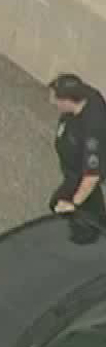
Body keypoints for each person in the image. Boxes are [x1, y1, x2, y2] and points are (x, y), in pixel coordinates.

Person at [49, 73, 106, 238]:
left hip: (80, 177)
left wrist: (73, 204)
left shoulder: (92, 131)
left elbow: (92, 176)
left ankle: (89, 238)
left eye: (56, 99)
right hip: (73, 171)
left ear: (67, 100)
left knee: (59, 205)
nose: (52, 102)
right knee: (91, 210)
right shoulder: (85, 94)